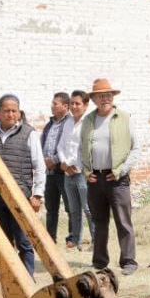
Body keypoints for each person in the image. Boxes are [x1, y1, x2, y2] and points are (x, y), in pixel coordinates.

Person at [0, 93, 44, 276]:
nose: (10, 114)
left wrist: (37, 194)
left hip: (21, 196)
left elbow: (39, 166)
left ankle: (28, 279)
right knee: (2, 241)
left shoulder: (29, 134)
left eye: (14, 111)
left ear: (19, 113)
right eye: (6, 111)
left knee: (24, 242)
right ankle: (8, 280)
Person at [79, 78, 139, 276]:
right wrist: (86, 172)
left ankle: (129, 261)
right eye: (100, 96)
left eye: (108, 95)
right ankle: (99, 261)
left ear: (113, 97)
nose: (105, 98)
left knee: (123, 221)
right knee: (99, 222)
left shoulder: (124, 118)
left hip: (118, 179)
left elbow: (135, 149)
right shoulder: (88, 121)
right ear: (94, 99)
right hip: (95, 179)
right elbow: (82, 150)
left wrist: (121, 170)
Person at [59, 89, 93, 249]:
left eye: (77, 103)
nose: (73, 106)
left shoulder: (89, 123)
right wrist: (64, 163)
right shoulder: (67, 122)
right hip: (67, 172)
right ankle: (77, 240)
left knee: (88, 209)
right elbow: (61, 146)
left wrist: (73, 164)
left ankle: (96, 241)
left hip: (81, 173)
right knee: (73, 210)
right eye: (71, 103)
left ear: (85, 105)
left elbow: (85, 148)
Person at [41, 91, 72, 243]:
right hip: (50, 173)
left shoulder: (70, 123)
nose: (52, 106)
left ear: (65, 106)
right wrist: (44, 161)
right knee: (51, 208)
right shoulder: (50, 124)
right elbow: (44, 143)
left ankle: (73, 238)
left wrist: (53, 160)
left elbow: (68, 146)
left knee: (70, 206)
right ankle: (50, 238)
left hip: (64, 171)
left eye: (55, 103)